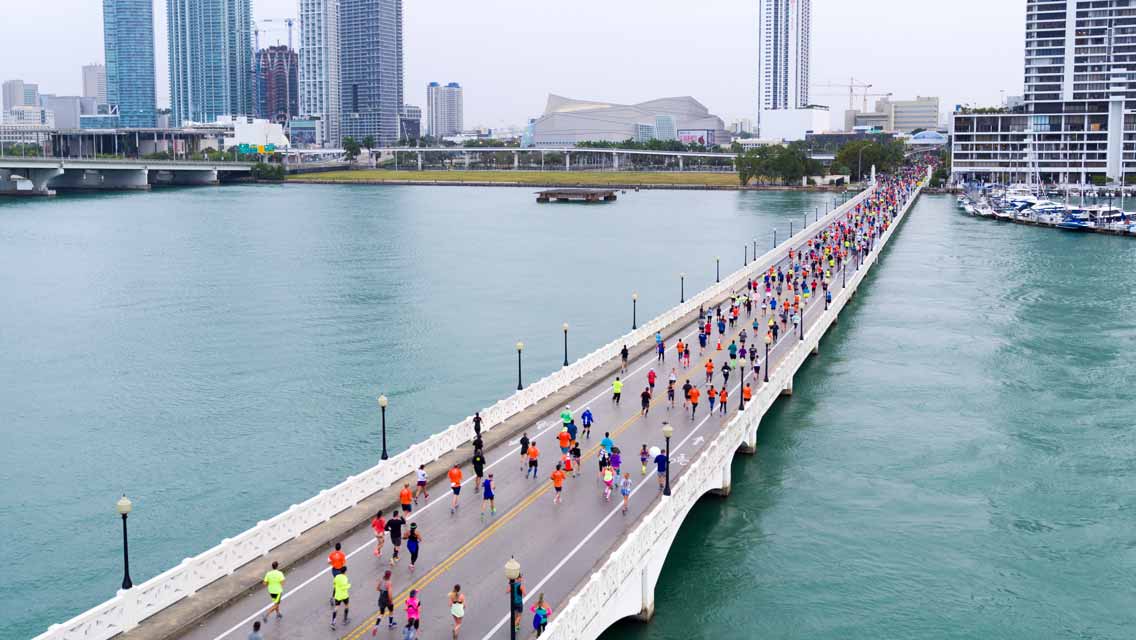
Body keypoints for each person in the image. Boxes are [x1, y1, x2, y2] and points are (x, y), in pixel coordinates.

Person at [371, 570, 397, 634]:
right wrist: (391, 601)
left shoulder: (381, 580)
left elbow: (377, 588)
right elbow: (390, 594)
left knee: (381, 613)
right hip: (387, 599)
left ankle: (376, 626)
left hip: (381, 598)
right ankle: (390, 624)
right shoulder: (389, 583)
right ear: (390, 576)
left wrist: (382, 591)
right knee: (391, 612)